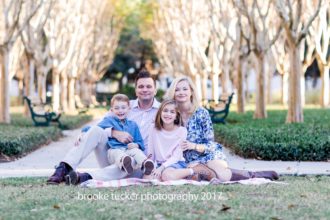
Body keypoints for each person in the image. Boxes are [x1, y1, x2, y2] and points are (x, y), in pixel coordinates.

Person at [47, 70, 160, 184]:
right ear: (136, 91)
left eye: (148, 86)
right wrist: (110, 133)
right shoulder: (124, 106)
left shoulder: (163, 112)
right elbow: (99, 126)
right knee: (96, 131)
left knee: (130, 161)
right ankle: (64, 167)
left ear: (155, 90)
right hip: (113, 156)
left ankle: (84, 177)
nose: (145, 89)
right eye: (141, 86)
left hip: (141, 163)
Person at [165, 76, 279, 181]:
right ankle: (206, 172)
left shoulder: (201, 113)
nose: (181, 92)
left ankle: (257, 175)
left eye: (185, 89)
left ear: (191, 92)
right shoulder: (171, 114)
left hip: (207, 153)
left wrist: (193, 146)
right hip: (188, 159)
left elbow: (210, 143)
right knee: (206, 175)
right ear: (173, 93)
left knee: (223, 175)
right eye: (177, 89)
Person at [65, 94, 155, 185]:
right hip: (114, 150)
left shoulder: (133, 125)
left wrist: (136, 145)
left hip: (130, 151)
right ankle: (124, 161)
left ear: (129, 109)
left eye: (123, 108)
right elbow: (95, 128)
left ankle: (145, 164)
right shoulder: (108, 121)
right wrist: (84, 132)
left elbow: (140, 142)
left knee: (136, 153)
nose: (120, 111)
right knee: (119, 155)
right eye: (117, 108)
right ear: (111, 110)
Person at [146, 99, 217, 181]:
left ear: (176, 115)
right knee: (148, 178)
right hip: (159, 163)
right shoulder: (153, 128)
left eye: (172, 112)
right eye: (165, 111)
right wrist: (152, 166)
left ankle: (195, 170)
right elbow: (151, 152)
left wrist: (162, 168)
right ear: (160, 113)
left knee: (167, 176)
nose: (168, 114)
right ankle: (188, 175)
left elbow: (176, 156)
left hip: (175, 163)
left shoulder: (182, 131)